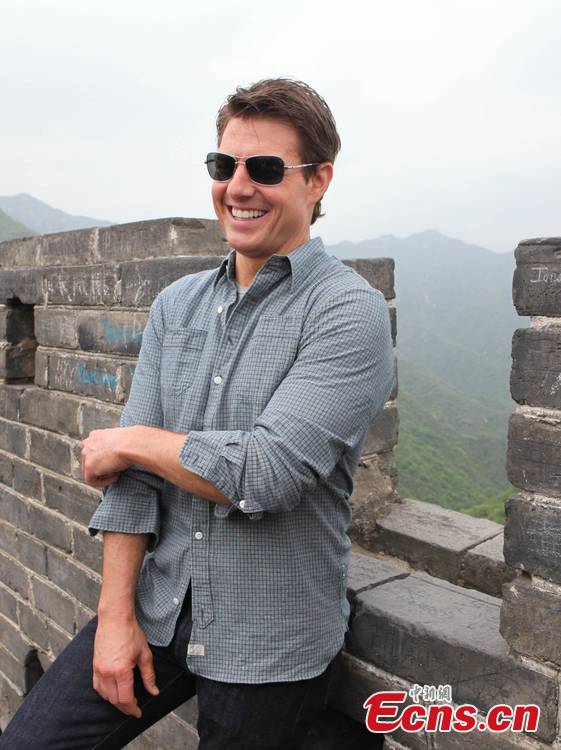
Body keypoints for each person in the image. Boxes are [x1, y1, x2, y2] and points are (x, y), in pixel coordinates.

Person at [0, 78, 395, 750]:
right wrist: (115, 616)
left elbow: (267, 475)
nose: (238, 187)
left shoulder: (344, 312)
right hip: (158, 608)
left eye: (265, 169)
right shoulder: (176, 306)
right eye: (224, 165)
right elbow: (130, 484)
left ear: (318, 181)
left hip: (269, 640)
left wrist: (135, 440)